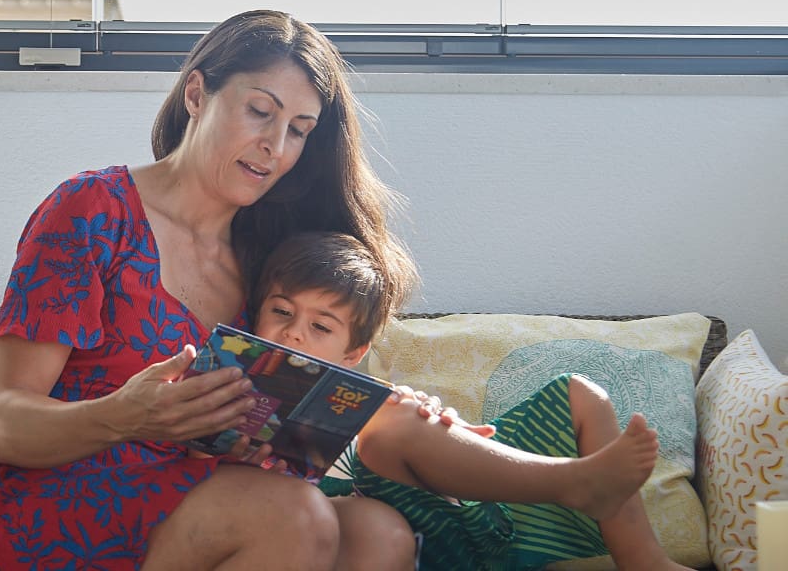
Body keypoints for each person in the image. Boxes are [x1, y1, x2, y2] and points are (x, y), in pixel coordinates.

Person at [0, 9, 421, 571]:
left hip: (193, 502)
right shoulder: (92, 210)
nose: (275, 145)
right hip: (53, 505)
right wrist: (122, 416)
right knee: (294, 514)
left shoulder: (271, 260)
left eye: (298, 130)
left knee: (379, 533)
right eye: (260, 111)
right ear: (196, 93)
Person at [249, 230, 692, 571]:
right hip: (405, 538)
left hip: (479, 511)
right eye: (282, 312)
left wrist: (443, 432)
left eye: (320, 327)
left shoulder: (374, 404)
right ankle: (576, 482)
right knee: (389, 428)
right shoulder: (235, 389)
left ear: (353, 353)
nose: (294, 332)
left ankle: (643, 558)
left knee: (580, 392)